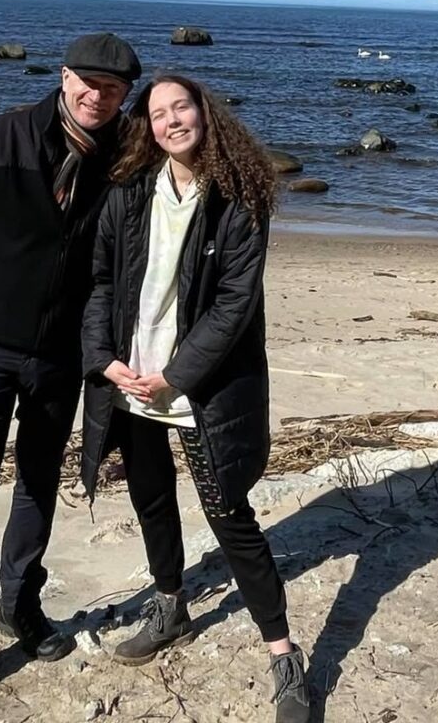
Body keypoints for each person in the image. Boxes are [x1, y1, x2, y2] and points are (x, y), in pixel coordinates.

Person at [0, 32, 141, 723]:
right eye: (87, 82)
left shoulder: (128, 156)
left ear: (126, 94)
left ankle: (20, 604)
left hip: (62, 357)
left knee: (39, 484)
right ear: (64, 75)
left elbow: (192, 157)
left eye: (113, 88)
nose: (96, 97)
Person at [80, 74, 310, 723]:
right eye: (157, 113)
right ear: (146, 127)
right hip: (131, 382)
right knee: (151, 501)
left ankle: (282, 652)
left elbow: (235, 304)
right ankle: (170, 604)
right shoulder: (129, 191)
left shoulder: (238, 197)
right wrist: (103, 359)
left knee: (229, 517)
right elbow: (99, 280)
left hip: (197, 390)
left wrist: (176, 376)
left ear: (206, 114)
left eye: (181, 106)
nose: (170, 120)